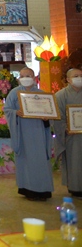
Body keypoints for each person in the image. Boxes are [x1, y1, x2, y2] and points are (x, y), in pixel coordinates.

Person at [4, 67, 53, 201]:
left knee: (40, 161)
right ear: (19, 78)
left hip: (39, 132)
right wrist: (15, 113)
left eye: (28, 76)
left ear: (34, 77)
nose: (25, 78)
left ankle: (43, 190)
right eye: (22, 76)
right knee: (26, 161)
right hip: (22, 133)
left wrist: (47, 118)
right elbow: (7, 110)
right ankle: (28, 189)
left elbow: (50, 113)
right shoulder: (14, 93)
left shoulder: (42, 94)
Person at [54, 68, 82, 196]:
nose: (79, 78)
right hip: (71, 137)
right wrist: (65, 128)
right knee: (74, 162)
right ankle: (75, 188)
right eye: (76, 76)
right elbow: (57, 116)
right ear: (68, 79)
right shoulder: (60, 95)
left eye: (81, 75)